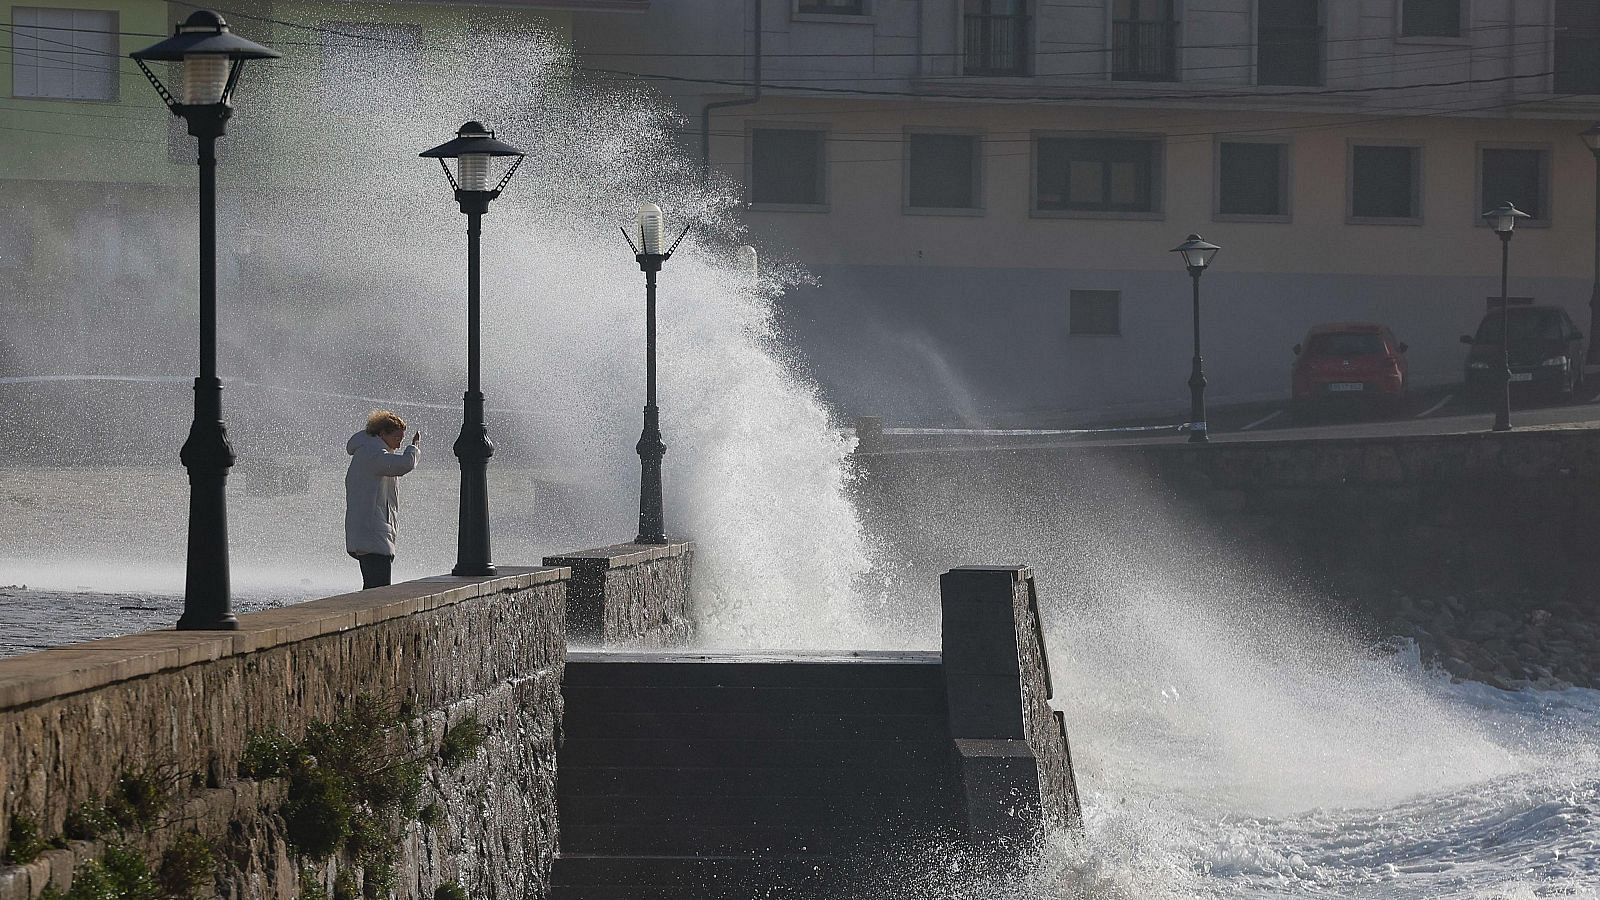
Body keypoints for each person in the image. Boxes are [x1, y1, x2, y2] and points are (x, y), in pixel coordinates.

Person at [345, 410, 420, 589]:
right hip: (372, 533)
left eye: (402, 439)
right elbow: (403, 465)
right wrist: (414, 447)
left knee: (374, 587)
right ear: (382, 433)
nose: (400, 443)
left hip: (370, 532)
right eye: (397, 438)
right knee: (378, 590)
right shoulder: (372, 453)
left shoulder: (371, 450)